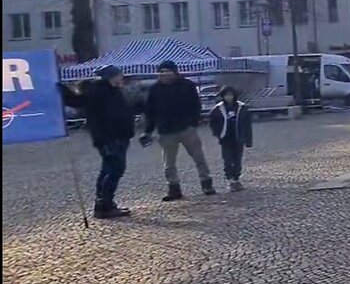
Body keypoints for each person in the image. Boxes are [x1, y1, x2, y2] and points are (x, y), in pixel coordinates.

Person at [57, 66, 135, 219]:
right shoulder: (97, 91)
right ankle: (103, 206)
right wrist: (63, 89)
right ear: (111, 77)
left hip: (119, 136)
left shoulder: (113, 91)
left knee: (108, 170)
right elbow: (77, 101)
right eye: (119, 76)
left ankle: (105, 203)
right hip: (109, 137)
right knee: (115, 170)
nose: (121, 78)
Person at [142, 60, 214, 200]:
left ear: (175, 72)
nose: (164, 75)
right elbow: (150, 112)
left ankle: (207, 183)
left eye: (168, 71)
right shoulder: (155, 89)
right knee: (169, 164)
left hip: (186, 128)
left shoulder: (187, 85)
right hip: (165, 131)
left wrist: (192, 122)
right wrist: (148, 130)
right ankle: (174, 188)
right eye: (161, 72)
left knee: (199, 158)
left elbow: (196, 105)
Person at [208, 86, 253, 191]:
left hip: (238, 137)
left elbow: (247, 125)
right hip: (225, 138)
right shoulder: (218, 108)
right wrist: (217, 133)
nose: (229, 97)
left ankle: (236, 179)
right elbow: (212, 122)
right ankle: (230, 180)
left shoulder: (242, 108)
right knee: (227, 160)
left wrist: (248, 139)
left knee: (237, 160)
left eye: (230, 95)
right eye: (226, 95)